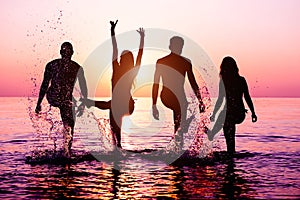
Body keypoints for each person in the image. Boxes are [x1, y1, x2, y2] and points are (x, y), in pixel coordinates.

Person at [84, 20, 145, 149]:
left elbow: (139, 56)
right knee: (115, 136)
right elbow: (115, 50)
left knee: (111, 104)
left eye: (123, 57)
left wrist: (142, 39)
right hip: (117, 105)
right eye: (121, 57)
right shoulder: (118, 69)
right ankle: (117, 152)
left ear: (127, 60)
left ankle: (91, 102)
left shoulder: (130, 73)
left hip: (127, 106)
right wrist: (112, 32)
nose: (120, 59)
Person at [35, 42, 88, 157]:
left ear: (71, 53)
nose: (66, 54)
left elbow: (84, 89)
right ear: (61, 53)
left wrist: (83, 104)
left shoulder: (77, 68)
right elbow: (45, 84)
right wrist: (38, 103)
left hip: (66, 99)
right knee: (67, 104)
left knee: (69, 124)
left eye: (67, 52)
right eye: (65, 52)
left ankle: (67, 151)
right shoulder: (52, 66)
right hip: (53, 95)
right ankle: (66, 152)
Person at [152, 36, 205, 139]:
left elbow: (193, 83)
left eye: (180, 47)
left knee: (179, 125)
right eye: (177, 46)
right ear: (170, 46)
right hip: (167, 96)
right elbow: (156, 84)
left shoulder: (186, 62)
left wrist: (200, 101)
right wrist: (154, 105)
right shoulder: (161, 62)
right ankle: (183, 126)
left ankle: (180, 134)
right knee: (180, 116)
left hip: (180, 98)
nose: (179, 49)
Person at [209, 56, 257, 155]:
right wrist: (214, 114)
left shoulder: (237, 80)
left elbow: (247, 97)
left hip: (237, 113)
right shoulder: (234, 80)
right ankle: (230, 153)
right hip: (234, 113)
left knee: (226, 120)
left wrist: (253, 113)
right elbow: (220, 100)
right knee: (227, 127)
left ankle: (213, 133)